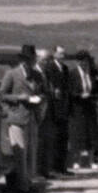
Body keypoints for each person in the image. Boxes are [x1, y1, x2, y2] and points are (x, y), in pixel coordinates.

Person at [0, 44, 46, 193]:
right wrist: (19, 97)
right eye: (27, 59)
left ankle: (29, 182)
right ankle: (21, 186)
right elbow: (1, 95)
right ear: (22, 60)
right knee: (20, 153)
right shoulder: (11, 74)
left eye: (32, 59)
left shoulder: (37, 76)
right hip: (17, 117)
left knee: (31, 152)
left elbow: (44, 92)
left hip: (33, 117)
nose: (29, 62)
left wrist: (40, 98)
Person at [36, 46, 73, 177]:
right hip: (50, 110)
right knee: (49, 140)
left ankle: (60, 167)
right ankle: (50, 169)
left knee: (60, 139)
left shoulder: (64, 69)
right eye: (60, 54)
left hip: (61, 109)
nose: (63, 56)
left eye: (64, 54)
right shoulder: (48, 69)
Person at [68, 51, 98, 171]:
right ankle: (77, 160)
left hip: (90, 106)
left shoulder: (93, 73)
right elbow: (70, 91)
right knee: (77, 134)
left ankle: (92, 160)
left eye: (86, 62)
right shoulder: (72, 74)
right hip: (77, 107)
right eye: (82, 62)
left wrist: (94, 96)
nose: (85, 64)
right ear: (78, 62)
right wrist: (80, 95)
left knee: (92, 133)